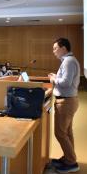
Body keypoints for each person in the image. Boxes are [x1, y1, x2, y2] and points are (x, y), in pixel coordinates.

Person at [48, 38, 80, 173]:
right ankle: (69, 158)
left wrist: (54, 79)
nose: (54, 51)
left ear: (63, 48)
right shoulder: (69, 61)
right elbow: (67, 80)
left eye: (55, 48)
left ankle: (71, 162)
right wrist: (57, 76)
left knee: (60, 133)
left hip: (66, 102)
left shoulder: (68, 61)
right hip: (69, 100)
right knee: (67, 132)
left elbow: (65, 83)